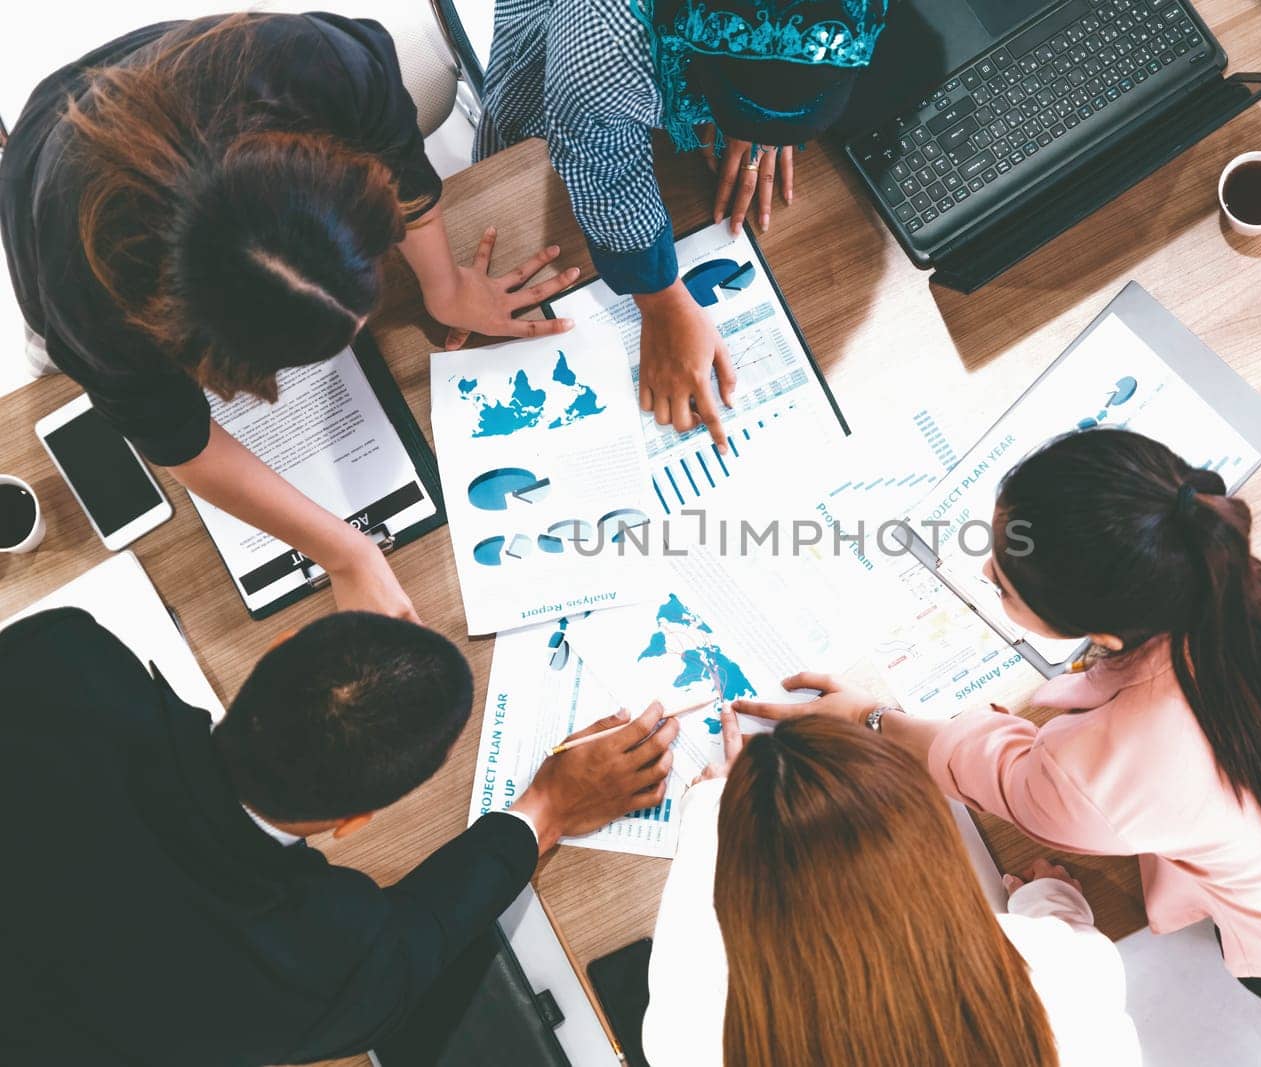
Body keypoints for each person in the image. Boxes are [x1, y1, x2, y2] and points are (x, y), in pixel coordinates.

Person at [739, 428, 1261, 1037]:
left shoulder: (1092, 771)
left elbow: (979, 763)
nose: (986, 573)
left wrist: (871, 718)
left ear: (1111, 638)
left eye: (1005, 581)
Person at [0, 13, 579, 621]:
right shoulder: (88, 303)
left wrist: (444, 283)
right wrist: (346, 552)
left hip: (188, 77)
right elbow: (180, 442)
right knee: (51, 365)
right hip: (53, 162)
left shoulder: (313, 64)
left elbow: (401, 166)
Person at [0, 607, 678, 1066]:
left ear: (281, 642)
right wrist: (549, 807)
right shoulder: (315, 961)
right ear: (353, 822)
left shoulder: (63, 656)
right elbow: (419, 940)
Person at [475, 0, 888, 451]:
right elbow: (599, 166)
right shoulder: (604, 36)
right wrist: (659, 299)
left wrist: (773, 110)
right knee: (504, 186)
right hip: (558, 89)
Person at [641, 709, 1141, 1066]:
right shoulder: (1059, 968)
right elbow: (1072, 937)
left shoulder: (694, 1038)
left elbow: (688, 934)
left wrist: (712, 807)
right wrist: (1050, 898)